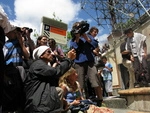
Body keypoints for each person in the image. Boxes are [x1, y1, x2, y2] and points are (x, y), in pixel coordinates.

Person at [24, 45, 76, 113]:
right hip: (39, 106)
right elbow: (56, 72)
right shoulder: (38, 64)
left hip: (45, 106)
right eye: (48, 52)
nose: (52, 54)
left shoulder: (44, 67)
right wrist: (68, 59)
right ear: (41, 55)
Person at [70, 22, 103, 106]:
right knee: (78, 83)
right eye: (77, 27)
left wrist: (86, 38)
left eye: (80, 27)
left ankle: (100, 99)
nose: (79, 29)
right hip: (78, 62)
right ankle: (79, 101)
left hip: (90, 62)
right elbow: (74, 48)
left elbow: (95, 45)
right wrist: (77, 38)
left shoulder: (88, 36)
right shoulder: (73, 39)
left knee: (95, 79)